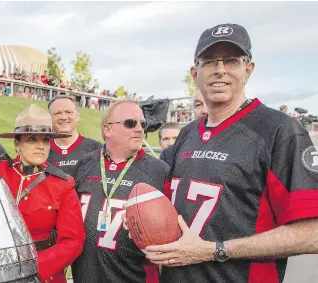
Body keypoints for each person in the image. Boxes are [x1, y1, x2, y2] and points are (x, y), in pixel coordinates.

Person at [131, 23, 318, 283]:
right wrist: (144, 223)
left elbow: (312, 233)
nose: (220, 70)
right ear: (195, 73)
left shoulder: (279, 131)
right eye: (209, 62)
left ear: (248, 69)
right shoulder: (188, 133)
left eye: (231, 60)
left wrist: (214, 251)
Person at [71, 100, 169, 283]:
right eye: (130, 123)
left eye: (143, 124)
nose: (140, 129)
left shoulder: (159, 171)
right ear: (107, 129)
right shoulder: (86, 163)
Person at [0, 104, 85, 283]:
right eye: (33, 139)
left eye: (45, 140)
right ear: (17, 143)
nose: (41, 146)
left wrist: (31, 269)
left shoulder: (61, 184)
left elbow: (73, 241)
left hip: (42, 275)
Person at [47, 96, 102, 177]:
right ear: (49, 118)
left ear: (78, 116)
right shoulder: (42, 150)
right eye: (57, 113)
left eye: (68, 112)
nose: (63, 117)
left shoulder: (96, 149)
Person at [160, 89, 208, 168]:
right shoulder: (168, 154)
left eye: (211, 103)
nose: (205, 110)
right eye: (198, 105)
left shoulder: (234, 144)